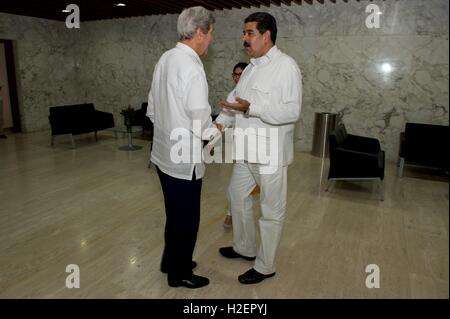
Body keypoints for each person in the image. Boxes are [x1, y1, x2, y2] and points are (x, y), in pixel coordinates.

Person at [216, 12, 302, 285]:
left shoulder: (286, 66)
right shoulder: (251, 67)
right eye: (244, 33)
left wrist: (253, 108)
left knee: (271, 210)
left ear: (267, 35)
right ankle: (245, 248)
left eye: (250, 33)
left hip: (269, 154)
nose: (245, 38)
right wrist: (218, 126)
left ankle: (266, 266)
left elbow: (292, 111)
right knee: (236, 197)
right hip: (244, 151)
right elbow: (233, 102)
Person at [146, 6, 216, 289]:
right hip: (184, 160)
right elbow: (201, 122)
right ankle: (180, 273)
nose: (211, 39)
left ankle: (170, 260)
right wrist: (218, 131)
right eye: (211, 33)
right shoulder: (192, 67)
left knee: (174, 214)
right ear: (200, 32)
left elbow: (152, 108)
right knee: (187, 218)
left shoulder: (166, 58)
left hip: (163, 153)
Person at [215, 62, 260, 229]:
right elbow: (225, 117)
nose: (237, 77)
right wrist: (214, 128)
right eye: (234, 74)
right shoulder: (233, 94)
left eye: (240, 74)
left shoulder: (257, 92)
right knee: (236, 190)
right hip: (242, 151)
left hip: (262, 152)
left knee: (269, 200)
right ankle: (231, 215)